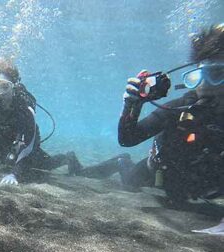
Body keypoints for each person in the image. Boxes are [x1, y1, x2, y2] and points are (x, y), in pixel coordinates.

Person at [77, 25, 224, 205]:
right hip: (159, 177)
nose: (206, 85)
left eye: (218, 74)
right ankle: (121, 161)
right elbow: (128, 138)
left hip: (203, 188)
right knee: (130, 180)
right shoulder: (181, 108)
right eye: (201, 75)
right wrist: (132, 105)